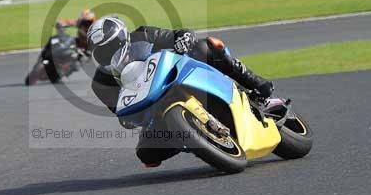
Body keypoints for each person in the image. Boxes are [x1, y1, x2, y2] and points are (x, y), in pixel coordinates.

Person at [86, 16, 273, 167]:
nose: (109, 54)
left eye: (111, 46)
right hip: (154, 108)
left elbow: (178, 34)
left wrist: (183, 39)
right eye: (101, 52)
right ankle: (196, 141)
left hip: (177, 76)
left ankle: (255, 84)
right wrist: (126, 118)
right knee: (147, 155)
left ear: (122, 37)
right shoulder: (100, 84)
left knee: (205, 46)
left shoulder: (143, 34)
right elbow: (121, 113)